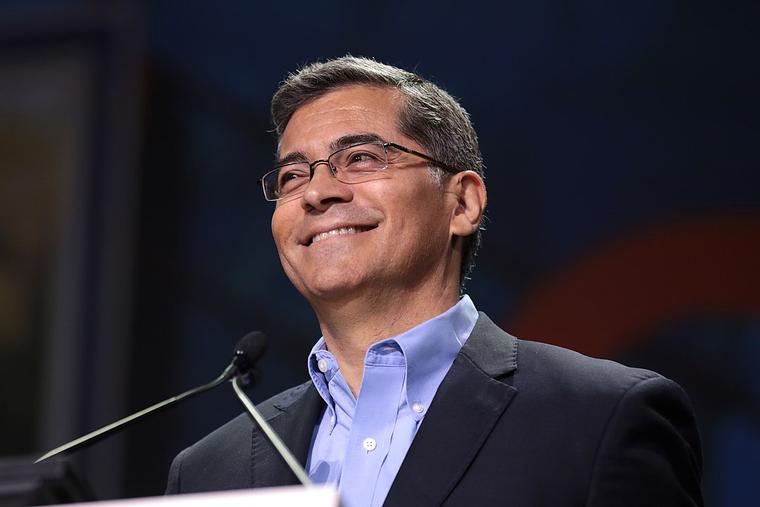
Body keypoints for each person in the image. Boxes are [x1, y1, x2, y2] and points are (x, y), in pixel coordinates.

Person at [165, 56, 703, 506]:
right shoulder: (210, 472)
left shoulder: (599, 417)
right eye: (291, 174)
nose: (316, 192)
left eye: (360, 158)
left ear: (462, 202)